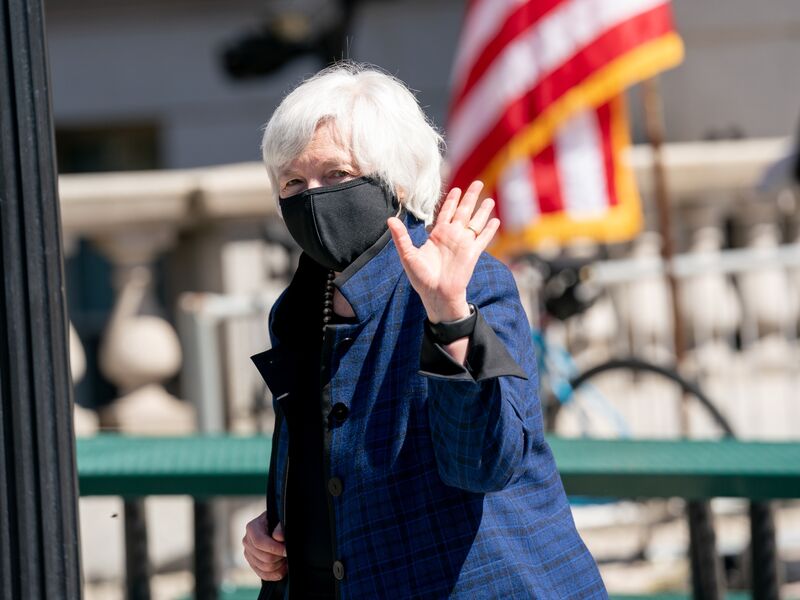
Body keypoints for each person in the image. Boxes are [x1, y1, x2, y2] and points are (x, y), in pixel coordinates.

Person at [242, 62, 606, 599]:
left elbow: (485, 463)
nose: (310, 197)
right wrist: (283, 524)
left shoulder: (470, 281)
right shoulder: (296, 311)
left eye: (337, 175)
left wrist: (448, 315)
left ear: (397, 182)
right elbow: (329, 462)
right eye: (293, 181)